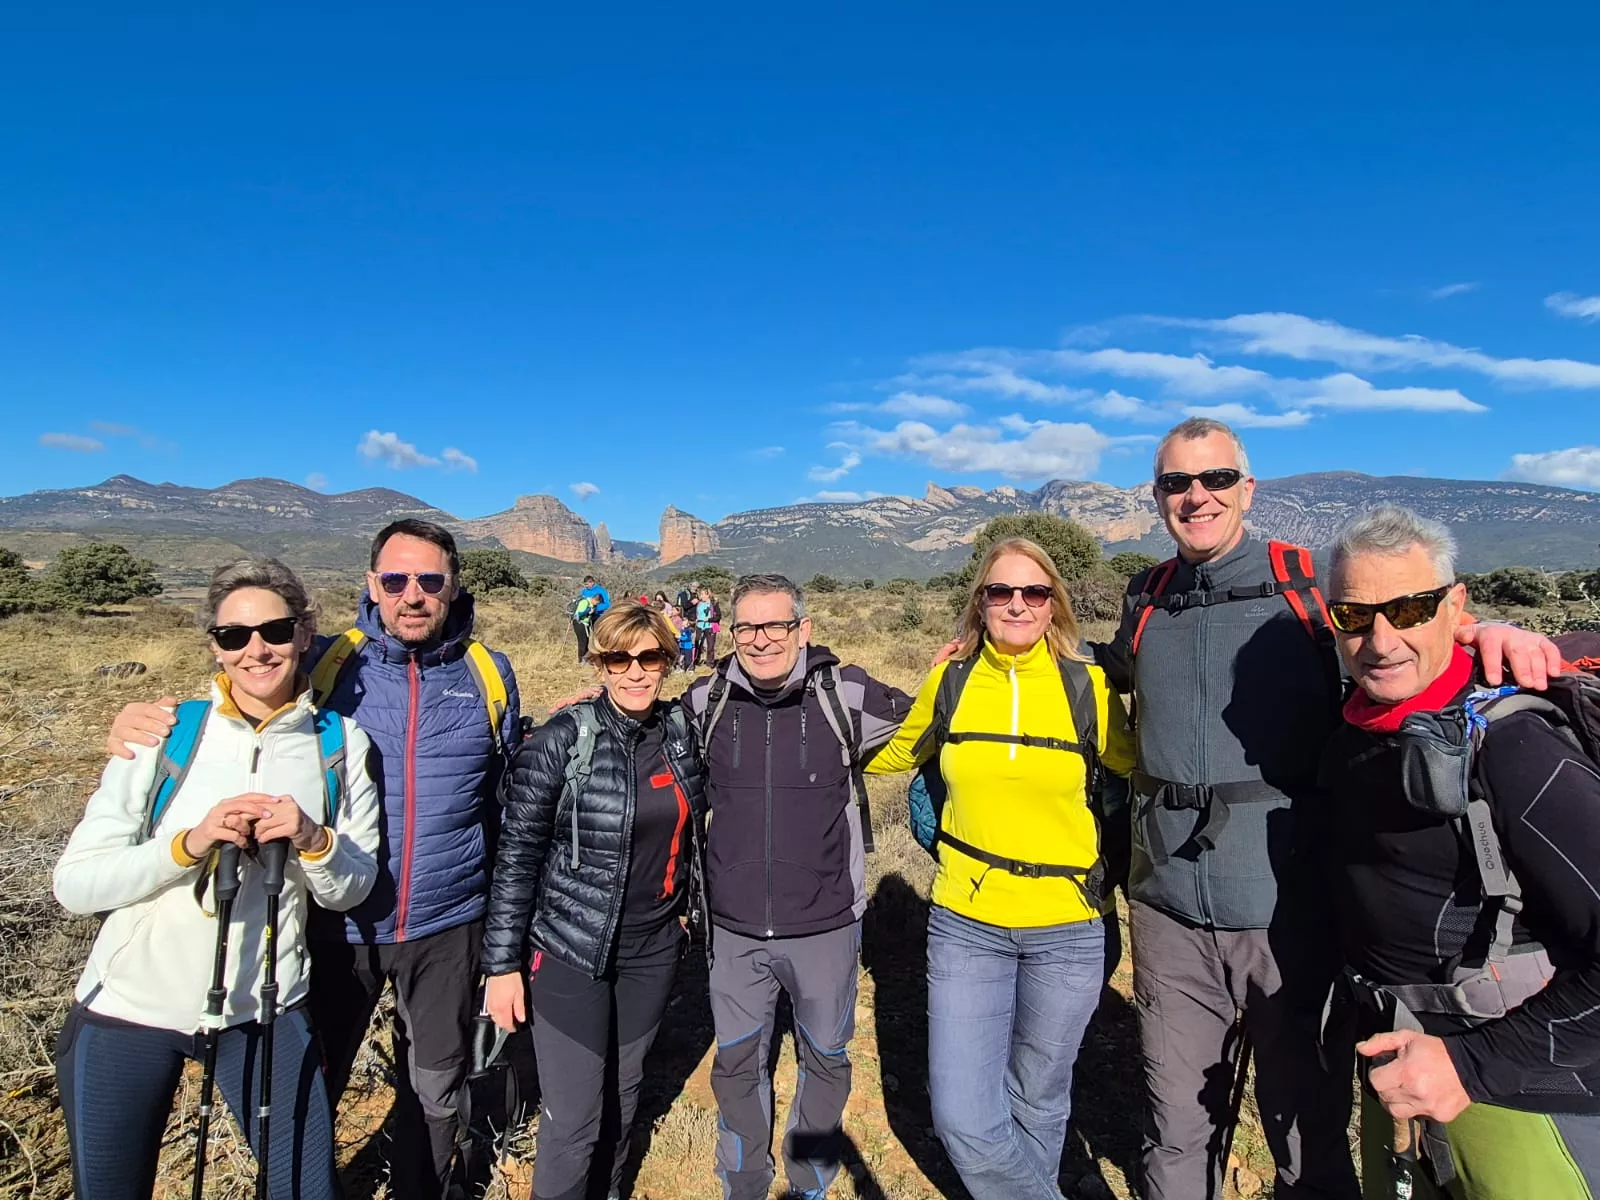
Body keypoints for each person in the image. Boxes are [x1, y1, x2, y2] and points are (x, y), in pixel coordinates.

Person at [1094, 418, 1562, 1199]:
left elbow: (1404, 634)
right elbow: (1092, 673)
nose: (1196, 496)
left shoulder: (1309, 587)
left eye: (1214, 479)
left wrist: (1493, 629)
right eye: (1177, 482)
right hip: (1167, 906)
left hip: (1292, 910)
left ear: (1247, 489)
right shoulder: (1147, 597)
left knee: (1306, 1126)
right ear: (1157, 496)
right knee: (1173, 1124)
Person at [105, 520, 522, 1200]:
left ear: (452, 586)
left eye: (428, 580)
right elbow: (240, 687)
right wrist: (140, 720)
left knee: (438, 1089)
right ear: (371, 586)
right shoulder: (324, 662)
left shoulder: (488, 673)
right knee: (305, 1098)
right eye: (394, 580)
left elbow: (501, 793)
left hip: (448, 924)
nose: (411, 595)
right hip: (332, 929)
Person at [55, 558, 381, 1200]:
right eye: (234, 636)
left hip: (266, 1006)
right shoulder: (165, 735)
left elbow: (351, 889)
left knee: (307, 1189)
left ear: (305, 634)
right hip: (127, 1009)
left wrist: (314, 840)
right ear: (215, 645)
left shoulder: (341, 744)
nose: (256, 650)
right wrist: (187, 844)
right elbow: (76, 885)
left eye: (276, 631)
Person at [1319, 507, 1600, 1200]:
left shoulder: (1513, 747)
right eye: (1354, 616)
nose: (1380, 640)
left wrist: (1473, 1064)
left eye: (1409, 608)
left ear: (1456, 606)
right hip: (1404, 1071)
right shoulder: (1360, 728)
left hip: (1523, 1093)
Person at [865, 538, 1135, 1199]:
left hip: (1068, 923)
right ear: (980, 602)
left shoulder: (1089, 686)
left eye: (1033, 593)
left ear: (1054, 606)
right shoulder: (950, 680)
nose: (1017, 604)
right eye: (1001, 592)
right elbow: (890, 755)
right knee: (962, 1113)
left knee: (1040, 1099)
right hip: (966, 921)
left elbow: (1147, 770)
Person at [684, 573, 910, 1200]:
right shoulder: (707, 702)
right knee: (736, 1066)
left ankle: (808, 1181)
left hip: (827, 923)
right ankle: (745, 1183)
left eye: (775, 626)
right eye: (747, 628)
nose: (760, 641)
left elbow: (933, 724)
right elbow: (646, 738)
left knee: (827, 1059)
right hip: (733, 929)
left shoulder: (848, 694)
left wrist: (958, 664)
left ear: (803, 629)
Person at [482, 601, 709, 1200]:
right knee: (574, 1119)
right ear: (598, 662)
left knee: (625, 1095)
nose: (635, 672)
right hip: (569, 952)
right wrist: (501, 966)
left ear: (668, 660)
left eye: (649, 657)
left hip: (653, 949)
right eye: (618, 658)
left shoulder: (681, 735)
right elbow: (515, 858)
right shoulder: (562, 740)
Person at [573, 575, 610, 663]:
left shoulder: (601, 591)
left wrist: (596, 609)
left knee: (598, 636)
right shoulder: (584, 591)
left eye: (587, 584)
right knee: (585, 638)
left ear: (592, 582)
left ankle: (601, 655)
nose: (586, 586)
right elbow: (583, 602)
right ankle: (585, 658)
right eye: (585, 584)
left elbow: (607, 604)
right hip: (586, 617)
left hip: (597, 616)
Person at [695, 587, 717, 669]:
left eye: (705, 594)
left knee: (710, 646)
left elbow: (718, 616)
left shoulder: (713, 604)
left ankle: (710, 663)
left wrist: (709, 619)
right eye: (701, 594)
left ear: (709, 595)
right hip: (699, 626)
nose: (703, 596)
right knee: (698, 644)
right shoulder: (699, 604)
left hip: (710, 626)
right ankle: (696, 660)